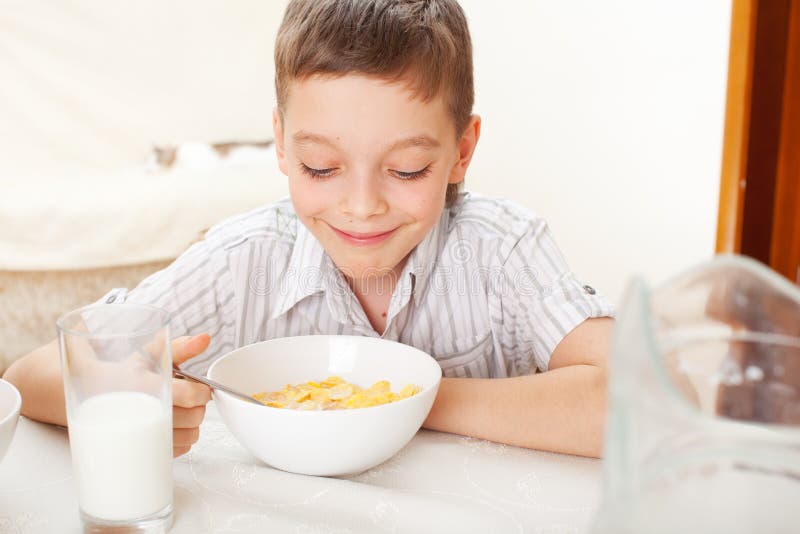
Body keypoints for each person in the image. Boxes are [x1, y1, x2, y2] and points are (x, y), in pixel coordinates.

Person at [4, 0, 614, 459]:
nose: (362, 206)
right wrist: (129, 393)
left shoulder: (502, 251)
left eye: (406, 169)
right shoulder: (241, 263)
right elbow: (27, 378)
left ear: (461, 151)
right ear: (280, 143)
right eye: (321, 167)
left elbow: (642, 401)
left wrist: (399, 399)